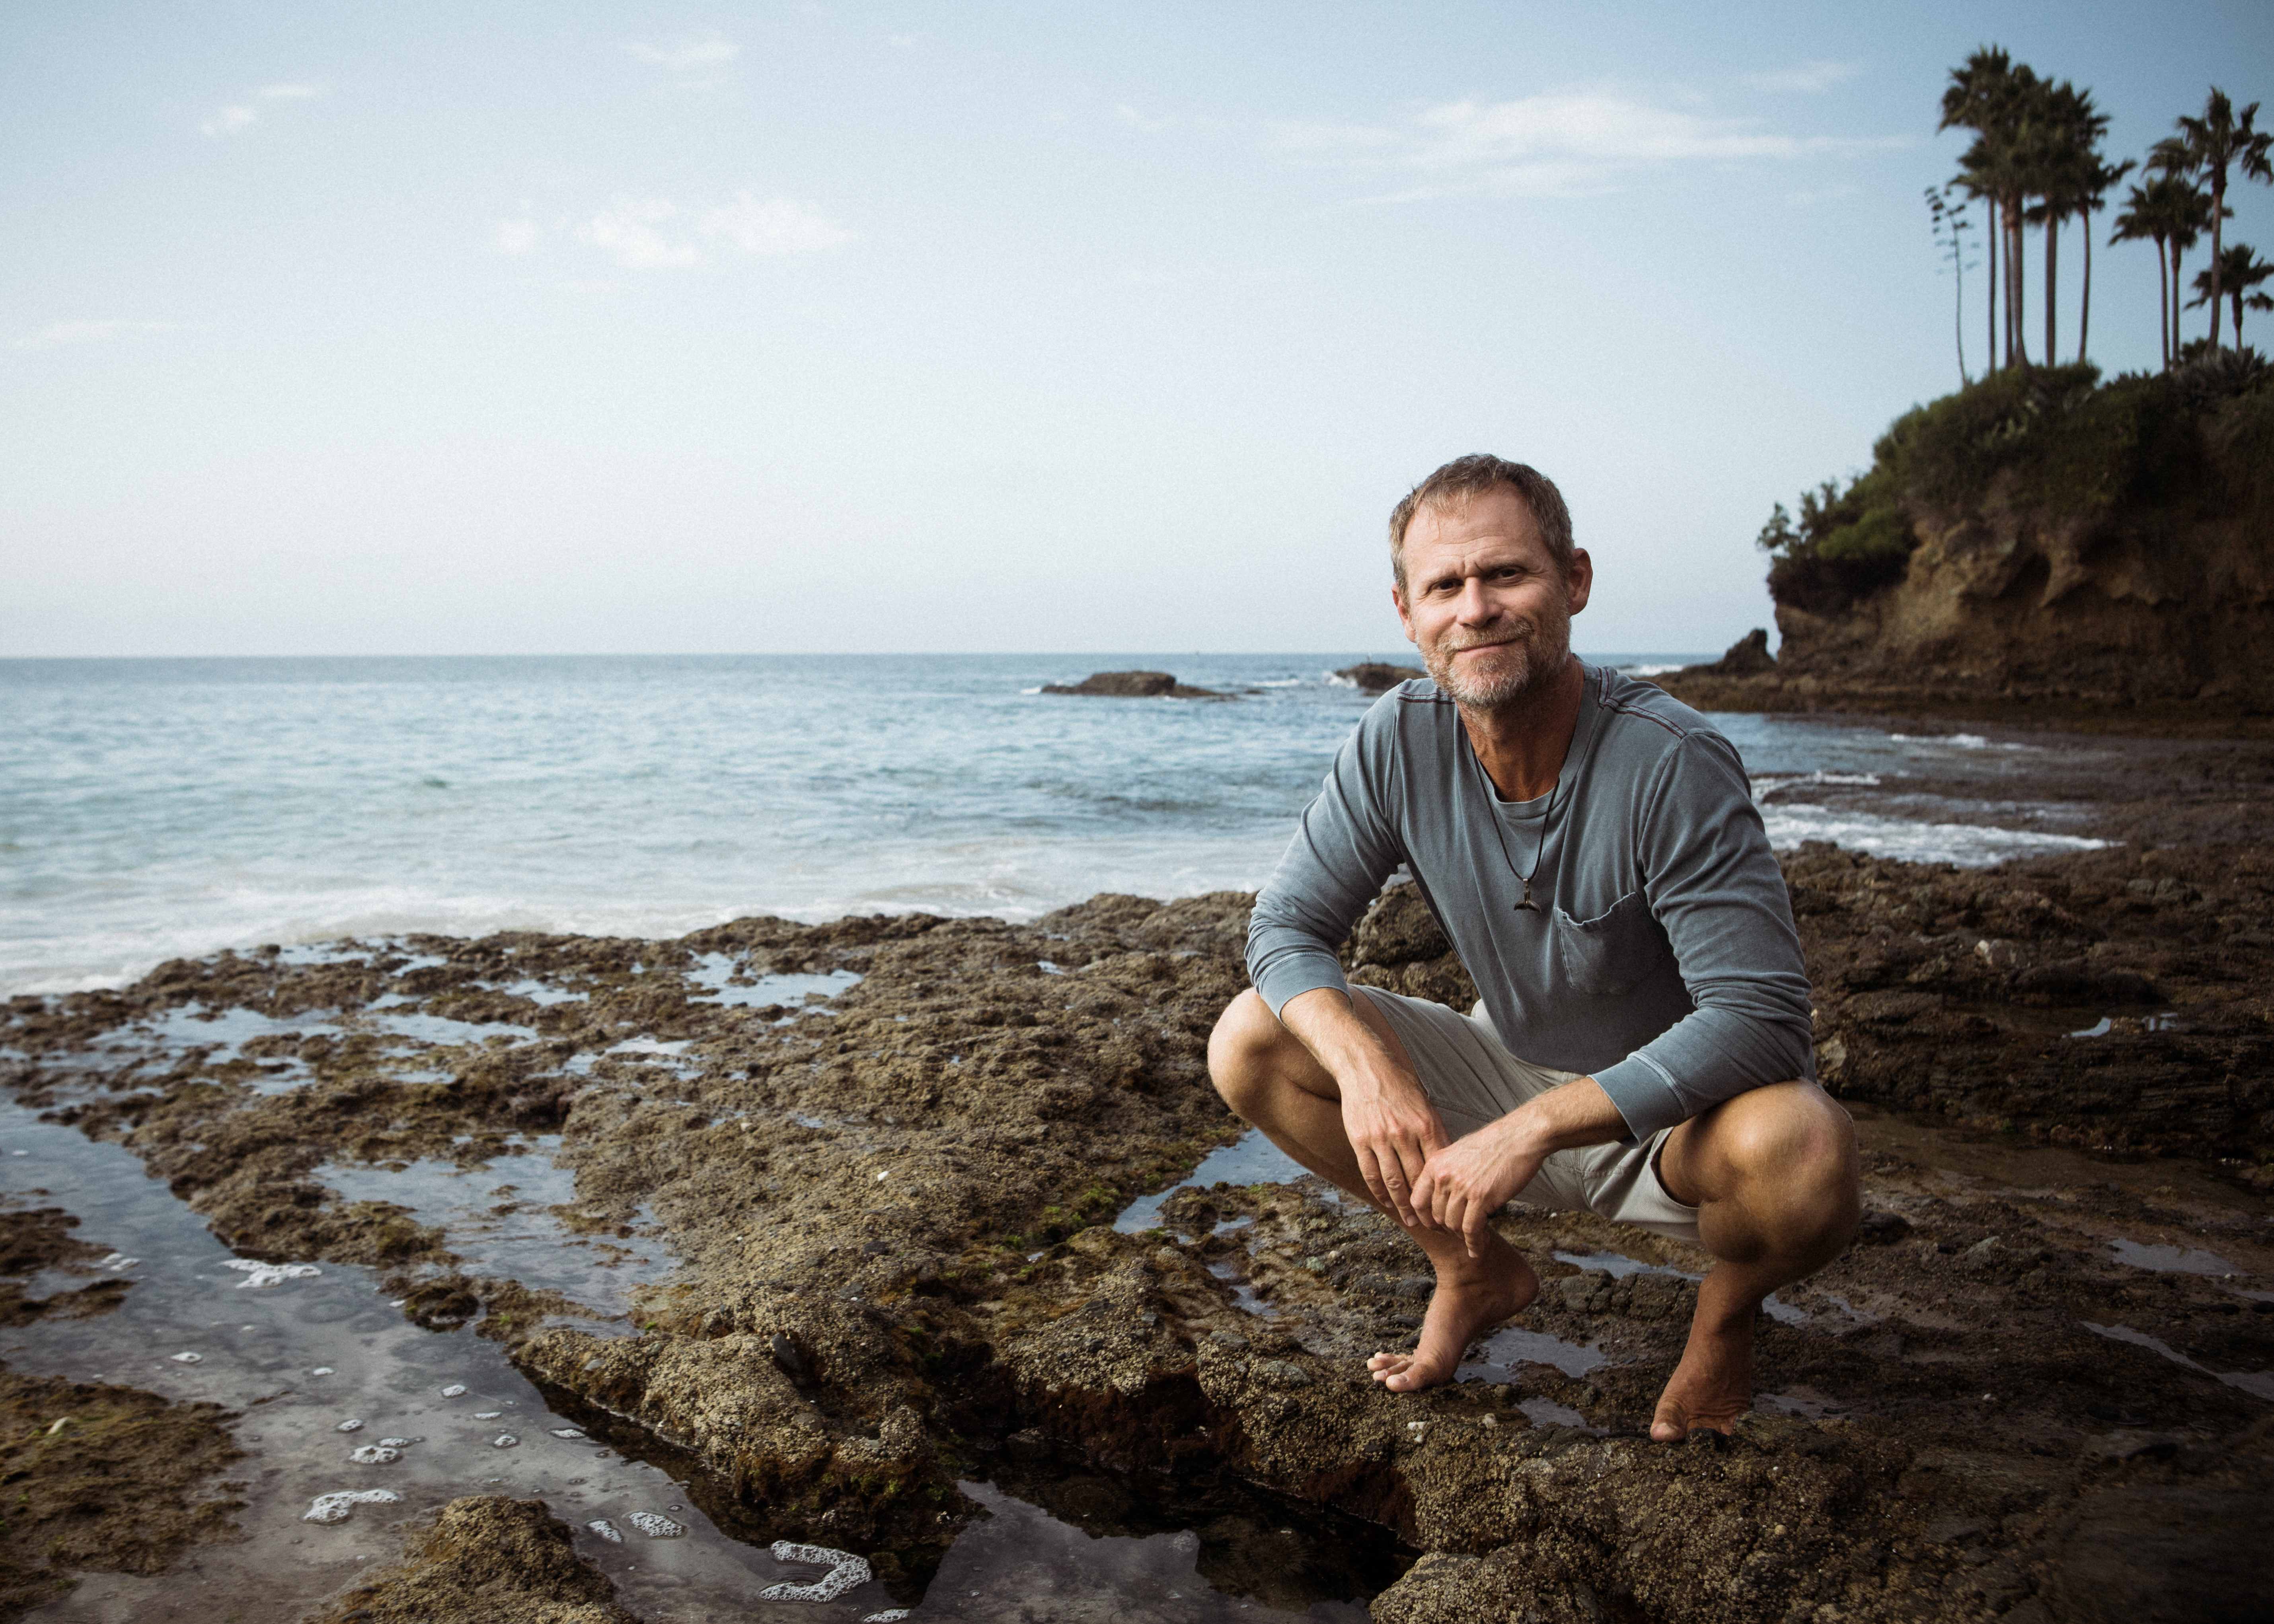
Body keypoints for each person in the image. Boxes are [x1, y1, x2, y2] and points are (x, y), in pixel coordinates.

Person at [1208, 454, 1859, 1440]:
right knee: (1250, 1040)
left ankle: (1727, 1315)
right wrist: (1371, 1073)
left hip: (1681, 1128)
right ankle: (1472, 1269)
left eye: (1505, 575)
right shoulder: (1398, 738)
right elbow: (1285, 928)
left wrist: (1531, 1129)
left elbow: (1760, 1022)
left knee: (1806, 1156)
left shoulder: (1670, 761)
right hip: (1503, 1073)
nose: (1475, 609)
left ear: (1574, 582)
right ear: (1406, 612)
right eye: (1444, 586)